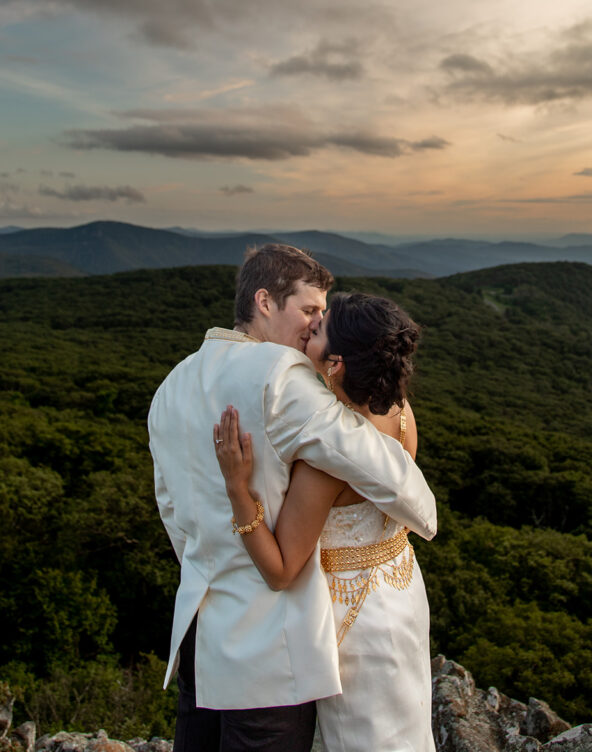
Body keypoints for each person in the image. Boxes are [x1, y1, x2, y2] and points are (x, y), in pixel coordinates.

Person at [148, 244, 436, 752]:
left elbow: (172, 510)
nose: (313, 325)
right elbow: (366, 456)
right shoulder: (283, 378)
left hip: (198, 625)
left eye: (322, 317)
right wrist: (422, 509)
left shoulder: (169, 388)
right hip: (272, 646)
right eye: (309, 311)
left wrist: (208, 567)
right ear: (264, 301)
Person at [214, 291, 436, 752]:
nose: (308, 328)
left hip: (353, 617)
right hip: (402, 588)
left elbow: (280, 571)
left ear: (334, 363)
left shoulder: (325, 463)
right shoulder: (398, 412)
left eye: (317, 330)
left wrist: (237, 488)